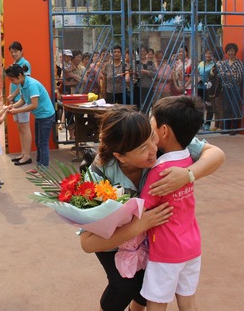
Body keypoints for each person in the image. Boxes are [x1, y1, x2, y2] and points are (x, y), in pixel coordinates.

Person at [79, 105, 225, 311]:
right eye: (142, 149)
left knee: (149, 281)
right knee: (125, 286)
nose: (153, 150)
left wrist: (188, 174)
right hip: (114, 240)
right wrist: (139, 225)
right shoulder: (98, 176)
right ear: (120, 156)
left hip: (152, 236)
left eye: (152, 139)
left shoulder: (160, 144)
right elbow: (88, 243)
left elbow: (216, 154)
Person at [139, 96, 205, 311]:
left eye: (151, 124)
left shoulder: (159, 170)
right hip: (191, 244)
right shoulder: (188, 161)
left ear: (164, 131)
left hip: (166, 249)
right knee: (188, 300)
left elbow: (143, 207)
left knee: (157, 302)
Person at [5, 64, 55, 172]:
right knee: (38, 142)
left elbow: (34, 105)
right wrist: (12, 106)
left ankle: (43, 170)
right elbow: (23, 100)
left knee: (43, 143)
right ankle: (38, 167)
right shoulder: (23, 84)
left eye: (12, 79)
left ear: (19, 75)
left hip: (46, 116)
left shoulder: (31, 84)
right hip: (40, 115)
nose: (11, 82)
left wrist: (16, 111)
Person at [6, 41, 33, 166]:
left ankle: (27, 155)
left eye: (15, 51)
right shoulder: (14, 64)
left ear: (21, 51)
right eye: (11, 52)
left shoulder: (25, 64)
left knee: (25, 127)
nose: (13, 54)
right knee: (20, 127)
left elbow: (23, 83)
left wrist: (13, 95)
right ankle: (23, 153)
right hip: (16, 100)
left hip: (22, 99)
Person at [216, 43, 244, 134]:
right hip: (226, 88)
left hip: (235, 88)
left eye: (232, 51)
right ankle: (226, 127)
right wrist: (232, 74)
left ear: (235, 51)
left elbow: (239, 78)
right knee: (226, 108)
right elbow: (220, 75)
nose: (230, 52)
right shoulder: (225, 62)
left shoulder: (239, 63)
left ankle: (234, 128)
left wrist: (227, 74)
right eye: (229, 51)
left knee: (235, 107)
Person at [197, 49, 215, 130]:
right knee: (199, 106)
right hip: (200, 87)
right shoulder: (200, 64)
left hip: (209, 88)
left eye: (209, 54)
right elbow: (196, 73)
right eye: (206, 53)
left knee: (209, 106)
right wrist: (198, 79)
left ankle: (207, 123)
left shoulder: (213, 65)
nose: (208, 55)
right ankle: (200, 123)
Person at [135, 45, 156, 112]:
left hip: (149, 87)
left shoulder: (151, 62)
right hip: (139, 87)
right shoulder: (136, 63)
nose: (142, 53)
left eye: (144, 51)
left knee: (148, 106)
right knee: (139, 106)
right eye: (140, 51)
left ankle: (146, 120)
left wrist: (146, 72)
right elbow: (134, 73)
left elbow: (155, 74)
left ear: (146, 52)